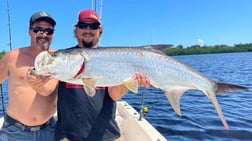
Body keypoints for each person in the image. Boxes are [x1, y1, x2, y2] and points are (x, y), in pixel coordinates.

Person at [54, 9, 150, 141]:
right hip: (68, 137)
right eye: (83, 25)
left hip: (107, 136)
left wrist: (130, 80)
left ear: (100, 30)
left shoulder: (113, 58)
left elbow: (114, 95)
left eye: (93, 26)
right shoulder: (63, 57)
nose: (88, 30)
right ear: (76, 30)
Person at [0, 11, 58, 141]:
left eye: (49, 31)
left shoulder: (58, 58)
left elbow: (48, 90)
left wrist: (38, 83)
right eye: (38, 29)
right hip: (14, 132)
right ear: (29, 31)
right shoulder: (12, 57)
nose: (44, 34)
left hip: (49, 130)